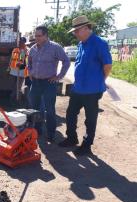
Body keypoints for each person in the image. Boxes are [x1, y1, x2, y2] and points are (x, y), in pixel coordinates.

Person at [58, 15, 112, 155]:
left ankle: (87, 145)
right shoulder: (81, 44)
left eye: (77, 30)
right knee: (70, 114)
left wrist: (101, 80)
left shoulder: (99, 43)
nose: (75, 33)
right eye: (74, 31)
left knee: (90, 119)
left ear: (87, 28)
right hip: (78, 88)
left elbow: (107, 65)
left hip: (92, 90)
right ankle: (71, 138)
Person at [28, 25, 70, 142]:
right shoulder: (33, 48)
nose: (37, 38)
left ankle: (51, 133)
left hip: (48, 83)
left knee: (49, 109)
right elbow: (29, 61)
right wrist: (30, 71)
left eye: (39, 36)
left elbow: (66, 62)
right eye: (35, 36)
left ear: (46, 35)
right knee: (35, 108)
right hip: (35, 83)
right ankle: (37, 130)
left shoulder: (55, 48)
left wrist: (59, 76)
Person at [8, 36, 29, 105]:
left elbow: (22, 60)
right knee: (14, 85)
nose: (20, 43)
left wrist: (20, 63)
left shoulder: (24, 50)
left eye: (22, 42)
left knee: (18, 86)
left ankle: (15, 99)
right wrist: (9, 67)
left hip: (21, 70)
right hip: (14, 69)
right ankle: (14, 98)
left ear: (24, 43)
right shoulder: (15, 49)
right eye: (19, 42)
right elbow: (11, 59)